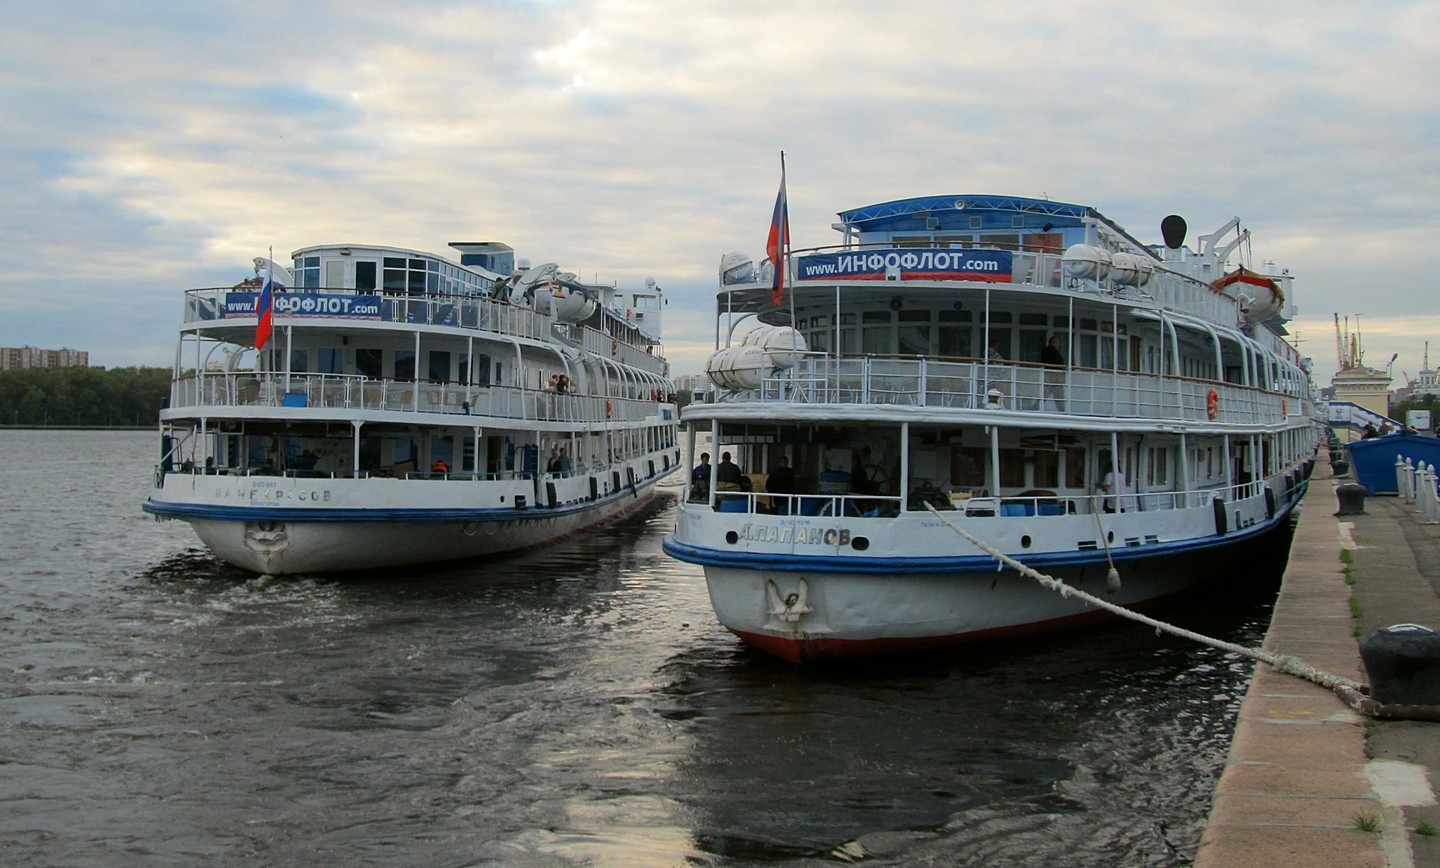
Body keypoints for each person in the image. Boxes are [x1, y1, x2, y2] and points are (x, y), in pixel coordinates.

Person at [1041, 336, 1066, 410]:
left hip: (1049, 375)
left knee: (1044, 395)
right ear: (1055, 342)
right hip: (1055, 377)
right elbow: (1058, 363)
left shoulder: (1045, 351)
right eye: (1058, 343)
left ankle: (1034, 408)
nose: (1058, 345)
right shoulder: (1053, 351)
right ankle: (1062, 411)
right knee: (1059, 396)